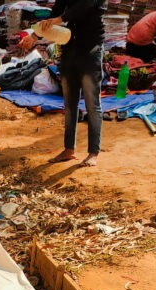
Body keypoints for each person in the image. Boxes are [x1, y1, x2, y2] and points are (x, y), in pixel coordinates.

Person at [44, 0, 107, 167]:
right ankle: (68, 149)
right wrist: (39, 30)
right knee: (69, 104)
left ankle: (93, 152)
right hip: (69, 48)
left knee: (92, 103)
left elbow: (85, 5)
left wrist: (60, 18)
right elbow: (57, 9)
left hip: (91, 48)